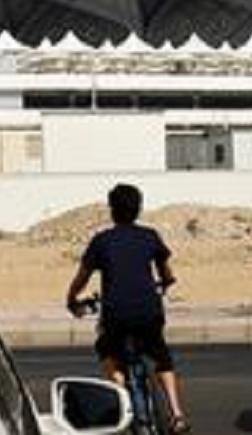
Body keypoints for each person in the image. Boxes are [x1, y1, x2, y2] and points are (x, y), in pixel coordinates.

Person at [65, 184, 188, 433]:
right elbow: (165, 271)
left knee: (106, 348)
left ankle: (123, 398)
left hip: (116, 315)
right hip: (149, 312)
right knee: (161, 356)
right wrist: (165, 282)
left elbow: (83, 277)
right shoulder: (150, 236)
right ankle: (176, 414)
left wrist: (71, 298)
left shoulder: (101, 241)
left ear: (112, 210)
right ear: (138, 209)